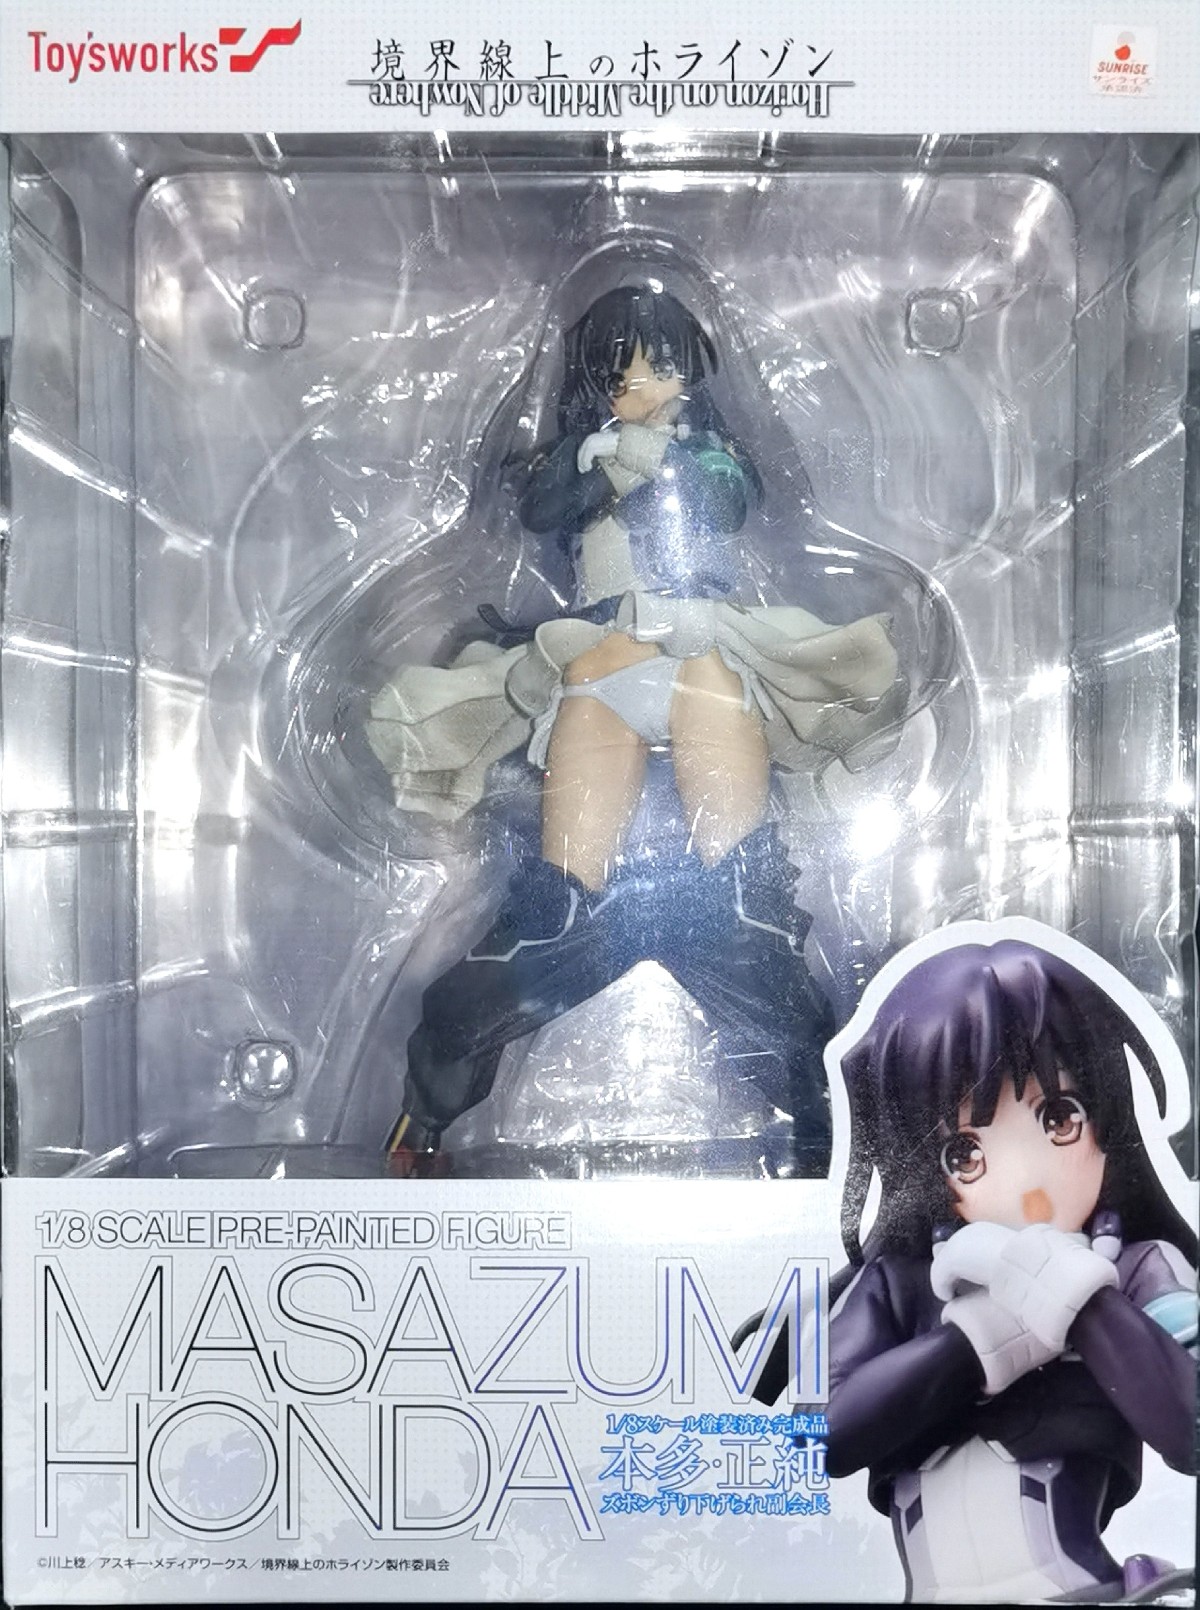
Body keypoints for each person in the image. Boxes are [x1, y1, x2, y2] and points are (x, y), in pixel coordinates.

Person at [366, 283, 904, 1174]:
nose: (644, 387)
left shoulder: (709, 453)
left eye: (661, 369)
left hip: (700, 657)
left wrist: (664, 459)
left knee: (743, 897)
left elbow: (728, 498)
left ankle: (822, 1111)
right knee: (560, 896)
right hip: (603, 664)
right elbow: (543, 507)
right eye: (623, 376)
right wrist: (605, 464)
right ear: (596, 385)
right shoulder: (579, 457)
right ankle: (432, 1107)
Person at [746, 937, 1198, 1603]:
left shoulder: (1136, 1269)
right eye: (965, 1153)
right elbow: (818, 1436)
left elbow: (1190, 1427)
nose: (1027, 1182)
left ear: (1107, 1114)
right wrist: (980, 1337)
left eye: (1060, 1119)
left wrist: (1074, 1294)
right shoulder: (901, 1285)